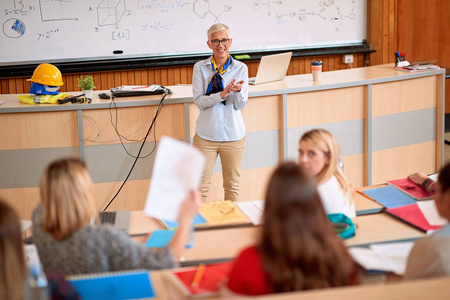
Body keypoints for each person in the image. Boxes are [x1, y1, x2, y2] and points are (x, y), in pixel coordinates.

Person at [32, 157, 200, 275]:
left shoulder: (39, 222)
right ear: (84, 196)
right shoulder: (103, 238)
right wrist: (185, 219)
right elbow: (164, 263)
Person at [226, 162, 359, 296]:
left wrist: (224, 292)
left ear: (270, 207)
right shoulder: (339, 256)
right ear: (316, 205)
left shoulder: (249, 262)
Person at [192, 23, 248, 202]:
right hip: (206, 136)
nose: (220, 45)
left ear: (230, 42)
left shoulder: (241, 68)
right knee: (200, 189)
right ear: (208, 44)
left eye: (224, 40)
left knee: (232, 186)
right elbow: (200, 102)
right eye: (215, 41)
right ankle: (198, 228)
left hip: (233, 136)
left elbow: (240, 105)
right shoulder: (200, 68)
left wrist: (237, 92)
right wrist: (221, 95)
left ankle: (231, 228)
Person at [404, 163, 450, 279]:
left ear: (447, 199)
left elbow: (409, 291)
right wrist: (426, 181)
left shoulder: (430, 248)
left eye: (438, 191)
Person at [298, 129, 356, 218]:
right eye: (301, 152)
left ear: (328, 158)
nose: (303, 160)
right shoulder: (336, 181)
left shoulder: (320, 193)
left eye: (312, 153)